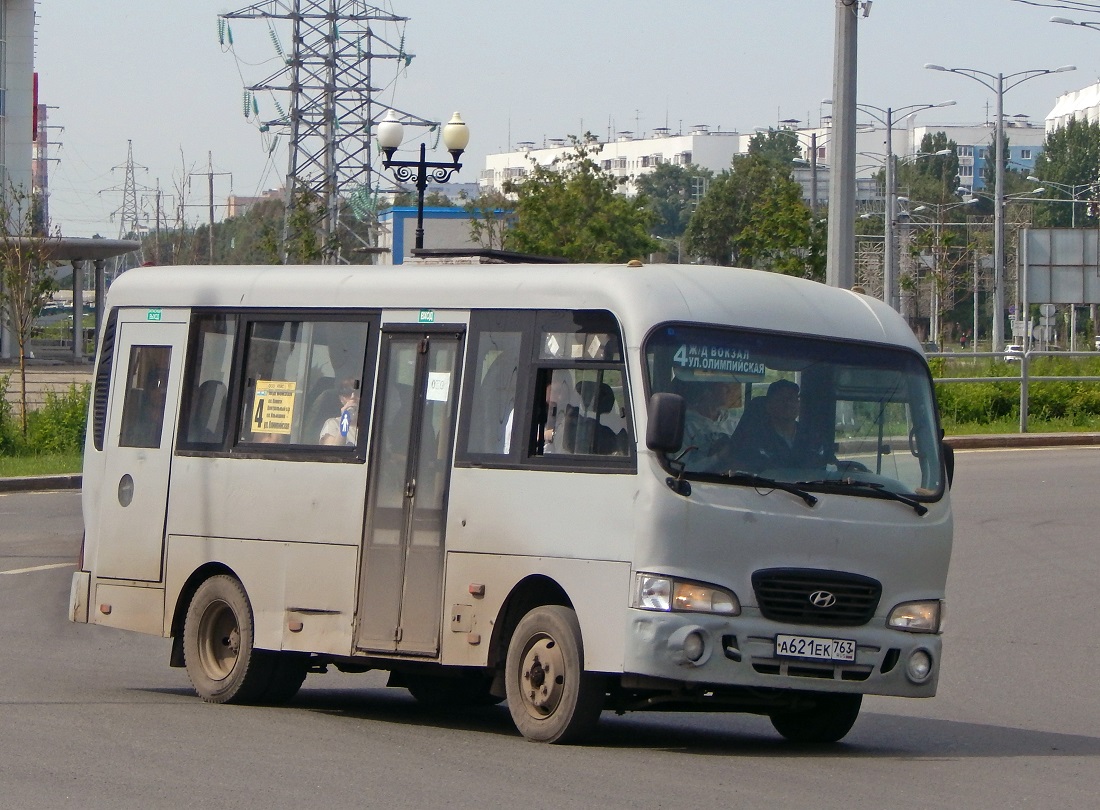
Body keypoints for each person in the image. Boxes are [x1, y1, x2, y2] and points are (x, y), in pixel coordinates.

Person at [730, 379, 801, 472]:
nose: (788, 403)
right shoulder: (754, 437)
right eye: (782, 399)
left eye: (792, 399)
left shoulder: (811, 436)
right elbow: (739, 470)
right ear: (768, 405)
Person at [320, 377, 360, 445]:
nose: (353, 396)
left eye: (358, 393)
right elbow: (332, 453)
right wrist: (345, 421)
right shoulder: (333, 424)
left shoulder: (373, 424)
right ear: (341, 399)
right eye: (347, 393)